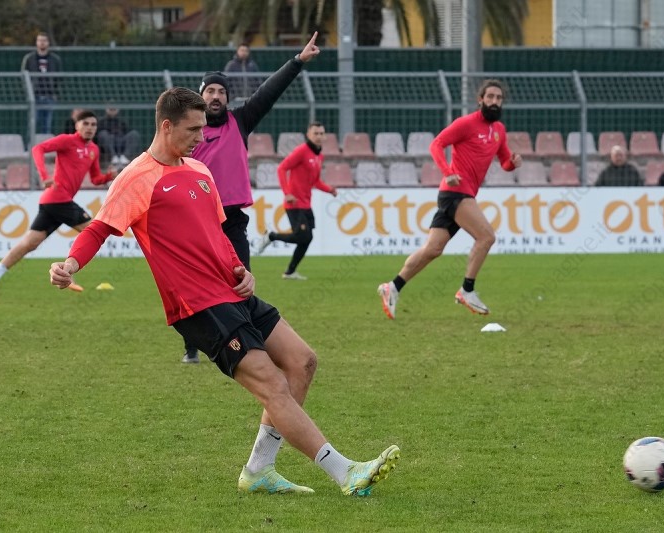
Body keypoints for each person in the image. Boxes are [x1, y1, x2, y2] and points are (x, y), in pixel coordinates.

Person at [48, 87, 400, 496]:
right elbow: (98, 229)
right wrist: (70, 264)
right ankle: (346, 473)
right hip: (197, 304)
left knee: (302, 362)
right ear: (167, 126)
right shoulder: (137, 177)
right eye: (193, 129)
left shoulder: (200, 170)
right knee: (272, 384)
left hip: (232, 291)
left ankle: (259, 470)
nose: (201, 137)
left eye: (203, 129)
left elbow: (215, 233)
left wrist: (239, 269)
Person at [180, 32, 320, 363]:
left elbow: (269, 92)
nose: (216, 96)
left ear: (228, 97)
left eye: (221, 91)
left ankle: (248, 341)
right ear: (201, 95)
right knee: (194, 286)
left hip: (231, 220)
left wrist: (297, 62)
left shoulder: (239, 121)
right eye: (210, 91)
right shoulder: (188, 131)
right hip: (197, 220)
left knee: (242, 281)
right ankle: (191, 346)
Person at [377, 79, 522, 319]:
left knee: (432, 249)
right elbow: (436, 144)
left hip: (461, 194)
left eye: (499, 98)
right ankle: (467, 290)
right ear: (480, 99)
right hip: (455, 192)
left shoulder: (499, 130)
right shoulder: (466, 123)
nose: (494, 101)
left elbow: (505, 161)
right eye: (490, 97)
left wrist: (513, 163)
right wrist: (447, 172)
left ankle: (392, 287)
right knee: (486, 236)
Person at [0, 111, 115, 303]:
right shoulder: (67, 141)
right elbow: (38, 149)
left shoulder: (93, 149)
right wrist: (44, 175)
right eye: (85, 123)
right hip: (57, 198)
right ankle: (66, 273)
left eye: (93, 125)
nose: (90, 128)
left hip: (53, 202)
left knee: (30, 243)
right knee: (93, 231)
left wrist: (109, 176)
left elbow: (95, 179)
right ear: (77, 126)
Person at [257, 122, 337, 280]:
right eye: (316, 133)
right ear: (308, 134)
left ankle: (290, 272)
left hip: (306, 203)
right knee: (302, 237)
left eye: (321, 133)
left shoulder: (319, 156)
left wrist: (330, 189)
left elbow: (316, 181)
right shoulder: (301, 151)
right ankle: (271, 236)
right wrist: (287, 193)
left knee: (307, 238)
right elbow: (281, 168)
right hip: (294, 203)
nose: (319, 136)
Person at [21, 32, 62, 134]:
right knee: (32, 124)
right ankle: (30, 144)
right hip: (34, 96)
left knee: (47, 125)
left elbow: (59, 78)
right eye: (40, 40)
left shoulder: (55, 59)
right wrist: (28, 93)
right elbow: (24, 76)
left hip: (49, 96)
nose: (42, 43)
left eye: (44, 40)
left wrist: (55, 93)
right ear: (36, 42)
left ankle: (46, 144)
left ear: (48, 43)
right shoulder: (29, 58)